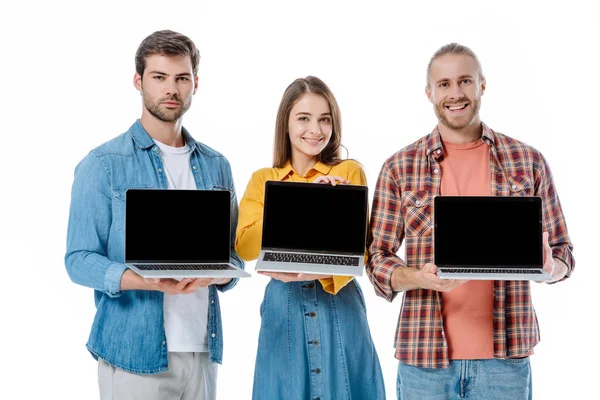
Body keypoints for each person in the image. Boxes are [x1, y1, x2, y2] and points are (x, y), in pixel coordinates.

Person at [367, 43, 575, 400]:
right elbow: (376, 258)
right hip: (425, 361)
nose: (455, 93)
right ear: (429, 93)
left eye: (465, 80)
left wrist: (547, 268)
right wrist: (419, 277)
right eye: (444, 84)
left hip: (505, 362)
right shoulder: (399, 167)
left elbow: (563, 255)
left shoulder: (528, 161)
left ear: (482, 85)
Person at [64, 30, 244, 400]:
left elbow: (232, 254)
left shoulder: (216, 165)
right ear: (138, 81)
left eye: (181, 78)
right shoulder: (103, 164)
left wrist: (219, 275)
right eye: (159, 77)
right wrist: (143, 279)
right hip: (133, 354)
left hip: (202, 352)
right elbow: (78, 260)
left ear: (196, 83)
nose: (171, 89)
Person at [235, 76, 385, 400]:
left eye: (324, 119)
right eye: (304, 118)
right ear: (285, 124)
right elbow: (245, 246)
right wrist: (300, 204)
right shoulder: (264, 179)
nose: (315, 130)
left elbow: (361, 252)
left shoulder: (348, 172)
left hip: (340, 306)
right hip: (283, 308)